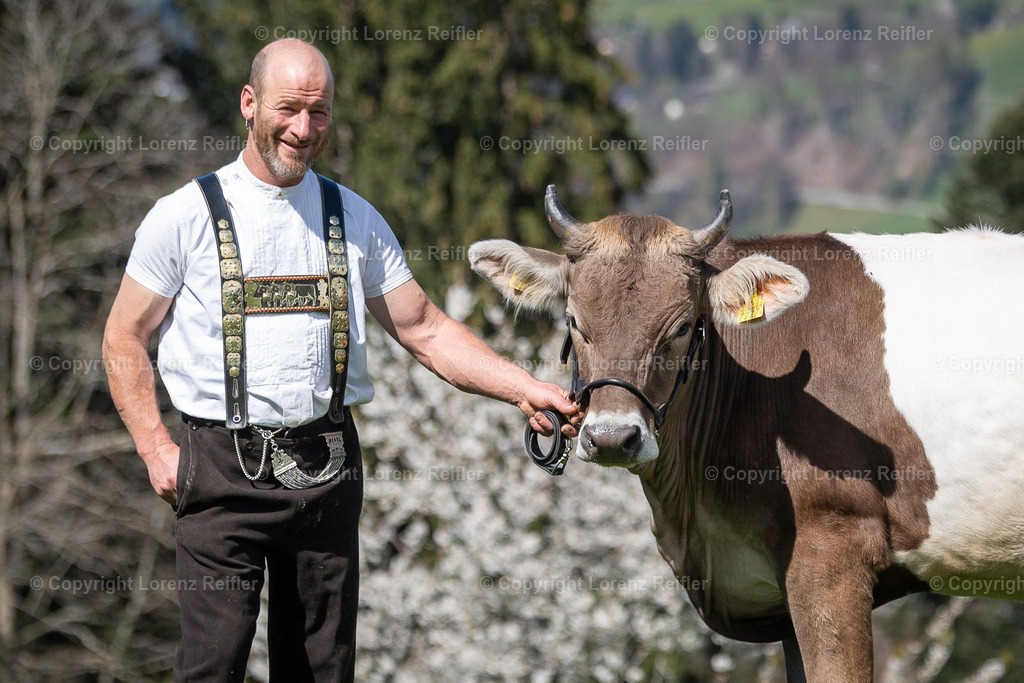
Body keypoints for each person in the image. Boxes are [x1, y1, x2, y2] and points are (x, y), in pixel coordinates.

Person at [102, 38, 580, 682]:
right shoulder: (183, 217)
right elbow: (123, 337)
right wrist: (156, 449)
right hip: (217, 470)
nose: (303, 130)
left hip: (327, 466)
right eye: (288, 109)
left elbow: (425, 328)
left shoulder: (353, 217)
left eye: (319, 112)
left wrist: (522, 387)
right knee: (212, 668)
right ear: (249, 103)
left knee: (322, 673)